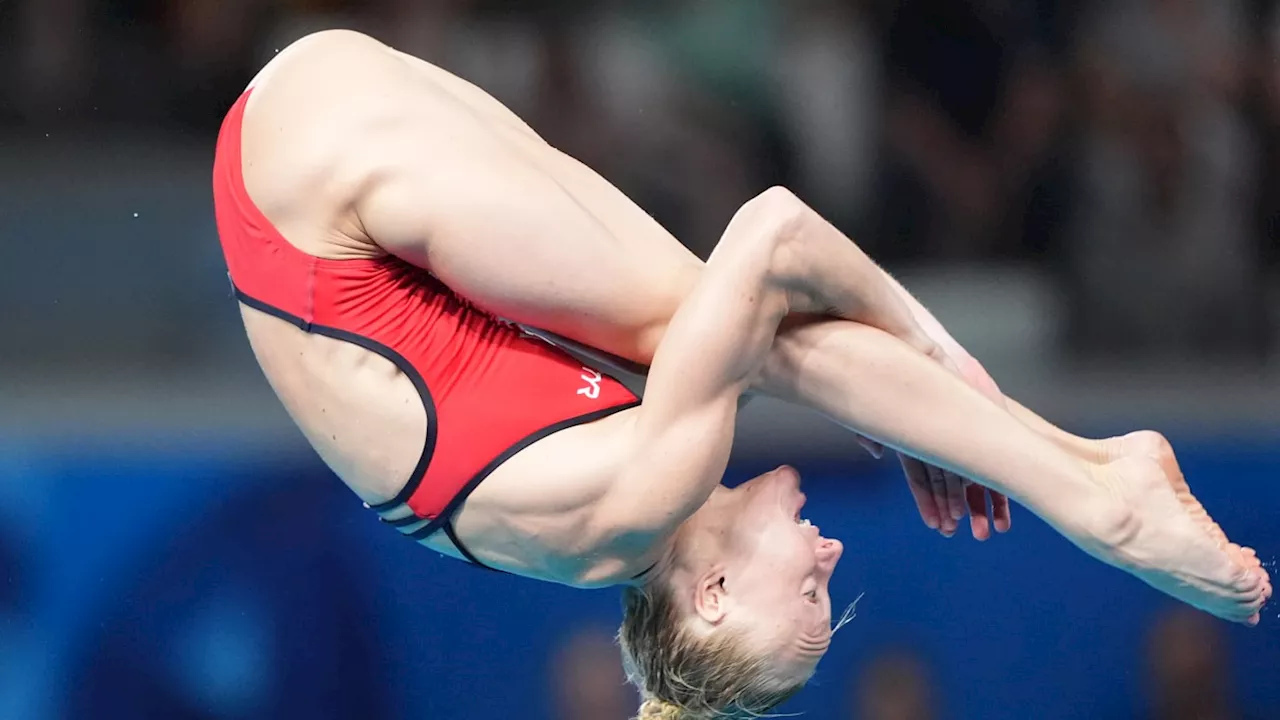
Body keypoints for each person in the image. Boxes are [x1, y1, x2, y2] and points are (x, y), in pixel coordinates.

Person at [211, 29, 1271, 720]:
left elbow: (772, 232)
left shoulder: (631, 505)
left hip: (310, 186)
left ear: (709, 597)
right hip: (297, 167)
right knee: (721, 340)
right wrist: (923, 413)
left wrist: (940, 368)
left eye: (807, 587)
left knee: (720, 318)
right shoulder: (599, 527)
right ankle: (1088, 476)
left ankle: (1095, 501)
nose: (828, 550)